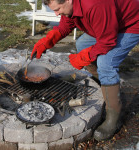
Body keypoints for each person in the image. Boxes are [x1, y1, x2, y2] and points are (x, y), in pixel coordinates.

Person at [31, 0, 139, 141]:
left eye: (58, 9)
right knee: (82, 43)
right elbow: (66, 24)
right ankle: (104, 83)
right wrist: (47, 41)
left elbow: (107, 41)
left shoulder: (96, 5)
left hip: (130, 24)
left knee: (106, 63)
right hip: (107, 24)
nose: (56, 14)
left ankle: (114, 117)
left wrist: (84, 57)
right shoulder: (72, 5)